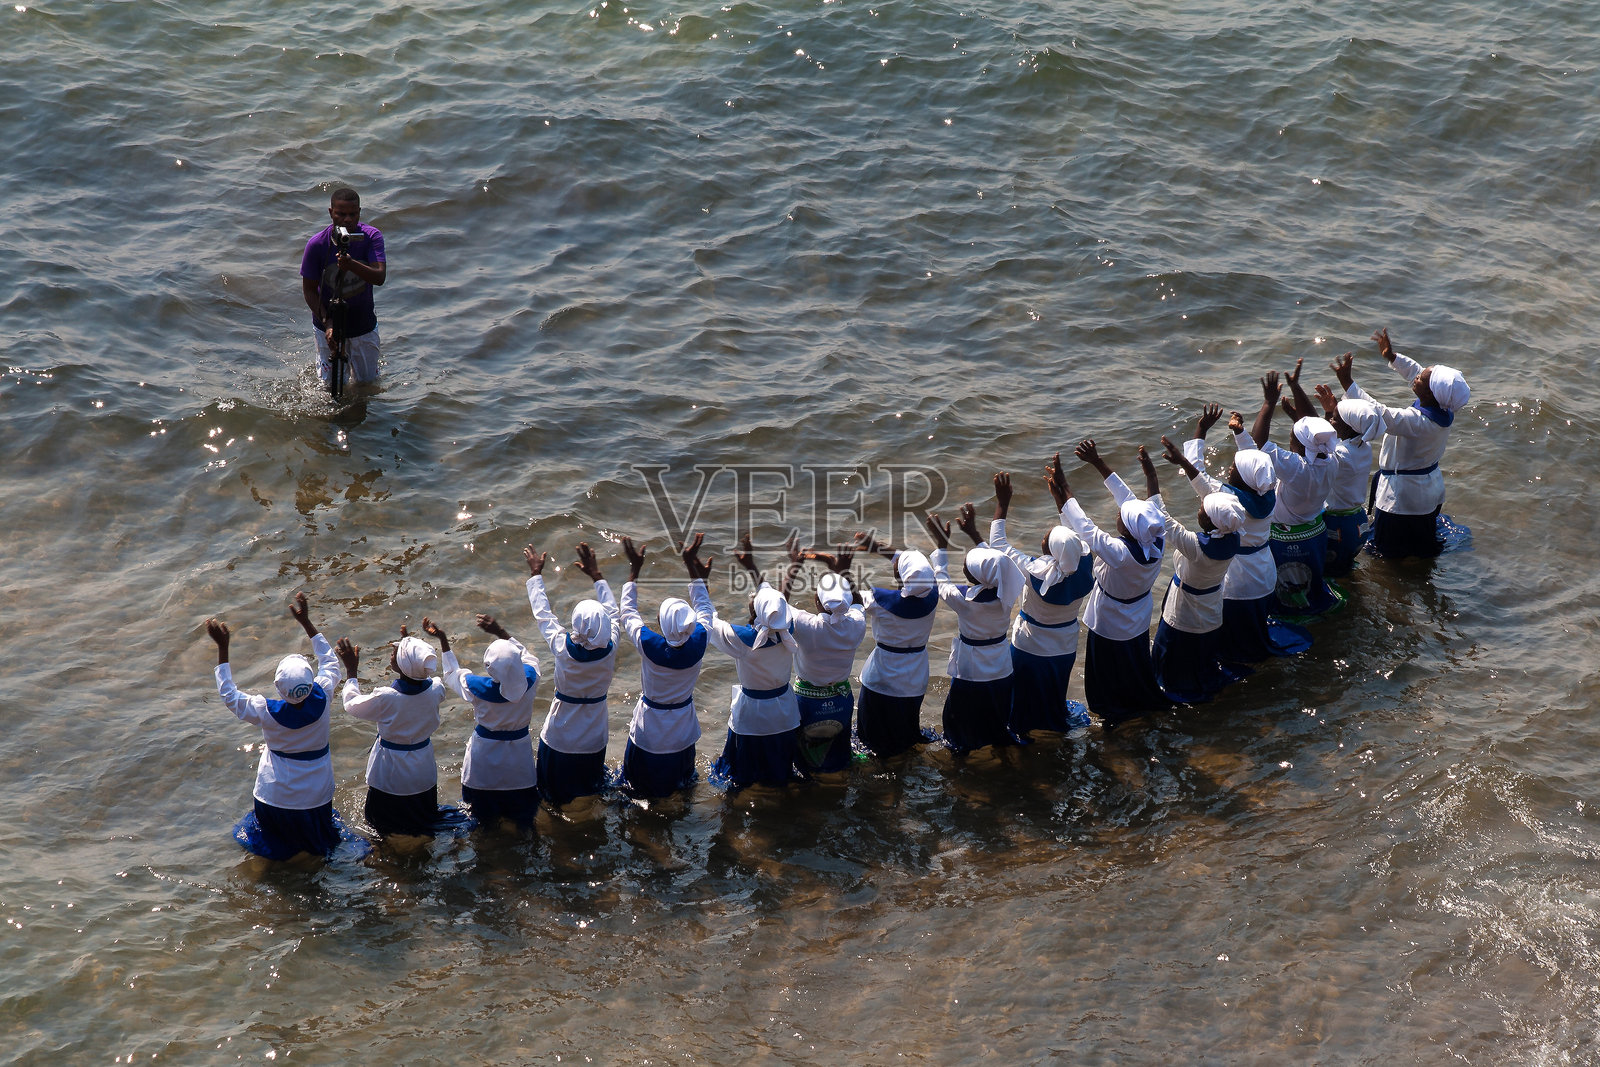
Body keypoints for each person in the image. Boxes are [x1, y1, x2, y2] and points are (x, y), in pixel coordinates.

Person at [206, 592, 347, 860]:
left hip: (273, 797)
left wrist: (223, 649)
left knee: (273, 847)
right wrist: (306, 622)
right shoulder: (324, 694)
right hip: (315, 796)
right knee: (317, 849)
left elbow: (229, 696)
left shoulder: (264, 711)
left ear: (278, 688)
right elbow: (330, 663)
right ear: (311, 683)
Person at [1182, 404, 1312, 665]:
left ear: (1242, 477)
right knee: (1253, 624)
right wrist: (1239, 433)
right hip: (1265, 571)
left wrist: (1201, 429)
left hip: (1239, 578)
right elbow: (1256, 462)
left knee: (1232, 636)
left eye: (1234, 467)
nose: (1230, 469)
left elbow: (1195, 469)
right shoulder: (1268, 492)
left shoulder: (1228, 499)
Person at [1055, 442, 1172, 729]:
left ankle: (1112, 712)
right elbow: (1131, 501)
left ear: (1129, 527)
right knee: (1132, 660)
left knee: (1106, 666)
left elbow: (1086, 528)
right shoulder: (1155, 536)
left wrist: (1065, 490)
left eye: (1121, 516)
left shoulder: (1119, 552)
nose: (1117, 514)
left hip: (1110, 617)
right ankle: (1137, 701)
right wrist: (1098, 462)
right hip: (1138, 612)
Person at [1336, 329, 1471, 558]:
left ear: (1431, 393)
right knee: (1419, 548)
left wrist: (1348, 384)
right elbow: (1416, 372)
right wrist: (1392, 357)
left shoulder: (1417, 422)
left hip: (1402, 500)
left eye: (1421, 379)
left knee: (1388, 555)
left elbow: (1379, 413)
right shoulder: (1442, 408)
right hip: (1428, 492)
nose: (1416, 376)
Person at [692, 534, 802, 789]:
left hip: (752, 716)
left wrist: (701, 584)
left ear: (755, 614)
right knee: (779, 771)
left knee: (741, 776)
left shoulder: (743, 640)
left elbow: (708, 620)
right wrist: (753, 566)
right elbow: (777, 604)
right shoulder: (789, 629)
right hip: (785, 713)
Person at [335, 624, 460, 837]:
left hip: (390, 774)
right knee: (422, 822)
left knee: (381, 828)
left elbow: (351, 704)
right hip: (423, 770)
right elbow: (422, 679)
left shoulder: (386, 697)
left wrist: (351, 671)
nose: (391, 654)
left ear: (403, 664)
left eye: (395, 652)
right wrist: (410, 653)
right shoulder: (436, 689)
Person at [997, 470, 1094, 737]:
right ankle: (1051, 725)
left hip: (1030, 645)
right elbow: (1073, 537)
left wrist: (1003, 503)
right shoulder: (1083, 565)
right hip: (1064, 645)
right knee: (1053, 691)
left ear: (1051, 551)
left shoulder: (1033, 572)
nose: (1043, 539)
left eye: (1046, 539)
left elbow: (998, 544)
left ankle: (1022, 729)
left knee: (1023, 695)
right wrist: (1060, 499)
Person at [524, 542, 620, 808]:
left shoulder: (562, 647)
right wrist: (597, 576)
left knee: (550, 799)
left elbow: (543, 614)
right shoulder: (611, 645)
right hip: (594, 737)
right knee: (588, 796)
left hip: (560, 736)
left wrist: (536, 574)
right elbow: (614, 612)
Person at [1153, 439, 1248, 704]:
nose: (1200, 507)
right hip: (1211, 608)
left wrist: (1151, 475)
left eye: (1202, 509)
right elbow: (1215, 505)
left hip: (1185, 609)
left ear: (1208, 520)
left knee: (1172, 654)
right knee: (1200, 652)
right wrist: (1184, 463)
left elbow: (1163, 518)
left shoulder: (1196, 547)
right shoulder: (1233, 536)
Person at [926, 502, 1025, 754]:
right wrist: (975, 534)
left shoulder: (965, 600)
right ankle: (999, 749)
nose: (963, 567)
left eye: (966, 566)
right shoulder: (1007, 592)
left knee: (960, 718)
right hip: (1001, 667)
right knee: (995, 716)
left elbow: (941, 580)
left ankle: (963, 753)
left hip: (971, 671)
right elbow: (998, 565)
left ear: (976, 576)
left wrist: (941, 547)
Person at [1243, 362, 1340, 617]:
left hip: (1288, 537)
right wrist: (1296, 388)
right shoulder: (1332, 459)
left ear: (1298, 445)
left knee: (1285, 587)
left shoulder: (1296, 468)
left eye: (1291, 438)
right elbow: (1314, 427)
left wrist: (1269, 403)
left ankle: (1287, 614)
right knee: (1310, 581)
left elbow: (1257, 444)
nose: (1289, 441)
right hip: (1315, 530)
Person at [616, 536, 706, 798]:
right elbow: (705, 608)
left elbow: (627, 613)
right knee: (682, 788)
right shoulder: (700, 640)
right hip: (683, 730)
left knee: (636, 790)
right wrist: (692, 567)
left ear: (662, 624)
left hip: (650, 731)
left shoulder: (649, 644)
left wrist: (634, 571)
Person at [441, 614, 542, 829]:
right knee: (524, 823)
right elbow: (526, 655)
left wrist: (443, 641)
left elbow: (451, 673)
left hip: (482, 767)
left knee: (481, 824)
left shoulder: (475, 687)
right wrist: (500, 631)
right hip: (519, 766)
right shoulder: (531, 679)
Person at [781, 536, 868, 774]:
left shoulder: (807, 625)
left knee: (805, 756)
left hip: (808, 701)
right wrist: (844, 573)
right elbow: (858, 603)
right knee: (839, 751)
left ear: (816, 601)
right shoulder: (856, 624)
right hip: (841, 698)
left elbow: (775, 606)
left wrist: (794, 566)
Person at [850, 534, 941, 758]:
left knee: (871, 737)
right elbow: (916, 570)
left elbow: (850, 598)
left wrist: (841, 568)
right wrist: (877, 547)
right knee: (904, 733)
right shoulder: (932, 593)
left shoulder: (879, 600)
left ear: (899, 575)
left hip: (881, 676)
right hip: (915, 677)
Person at [300, 186, 387, 386]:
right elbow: (309, 290)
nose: (347, 220)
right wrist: (327, 323)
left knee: (367, 385)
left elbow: (379, 277)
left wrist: (351, 264)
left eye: (353, 214)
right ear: (331, 212)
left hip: (363, 326)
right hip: (326, 326)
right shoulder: (317, 244)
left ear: (359, 213)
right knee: (327, 387)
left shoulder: (371, 237)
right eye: (341, 214)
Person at [1317, 378, 1386, 576]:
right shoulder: (1362, 446)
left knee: (1330, 572)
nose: (1331, 422)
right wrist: (1330, 411)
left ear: (1348, 427)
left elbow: (1319, 444)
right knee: (1345, 568)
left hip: (1338, 527)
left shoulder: (1341, 454)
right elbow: (1332, 440)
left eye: (1334, 419)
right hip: (1358, 522)